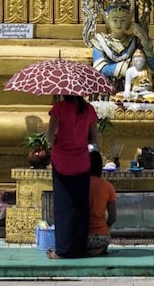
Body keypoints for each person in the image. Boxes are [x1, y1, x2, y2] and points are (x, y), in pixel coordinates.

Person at [45, 94, 99, 259]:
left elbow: (49, 137)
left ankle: (62, 250)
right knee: (80, 206)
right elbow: (94, 138)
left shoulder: (59, 109)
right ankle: (79, 248)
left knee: (63, 206)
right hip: (82, 162)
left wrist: (58, 140)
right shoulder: (89, 110)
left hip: (61, 162)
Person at [90, 4, 154, 85]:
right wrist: (127, 67)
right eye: (115, 20)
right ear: (107, 20)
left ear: (129, 21)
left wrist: (145, 41)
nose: (118, 24)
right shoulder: (100, 41)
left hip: (132, 87)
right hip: (107, 87)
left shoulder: (134, 41)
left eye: (123, 20)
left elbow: (153, 67)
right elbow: (99, 69)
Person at [87, 149, 116, 256]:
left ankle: (85, 250)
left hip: (81, 236)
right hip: (101, 237)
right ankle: (99, 249)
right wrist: (104, 227)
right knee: (104, 239)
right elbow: (113, 217)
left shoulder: (80, 184)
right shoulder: (108, 186)